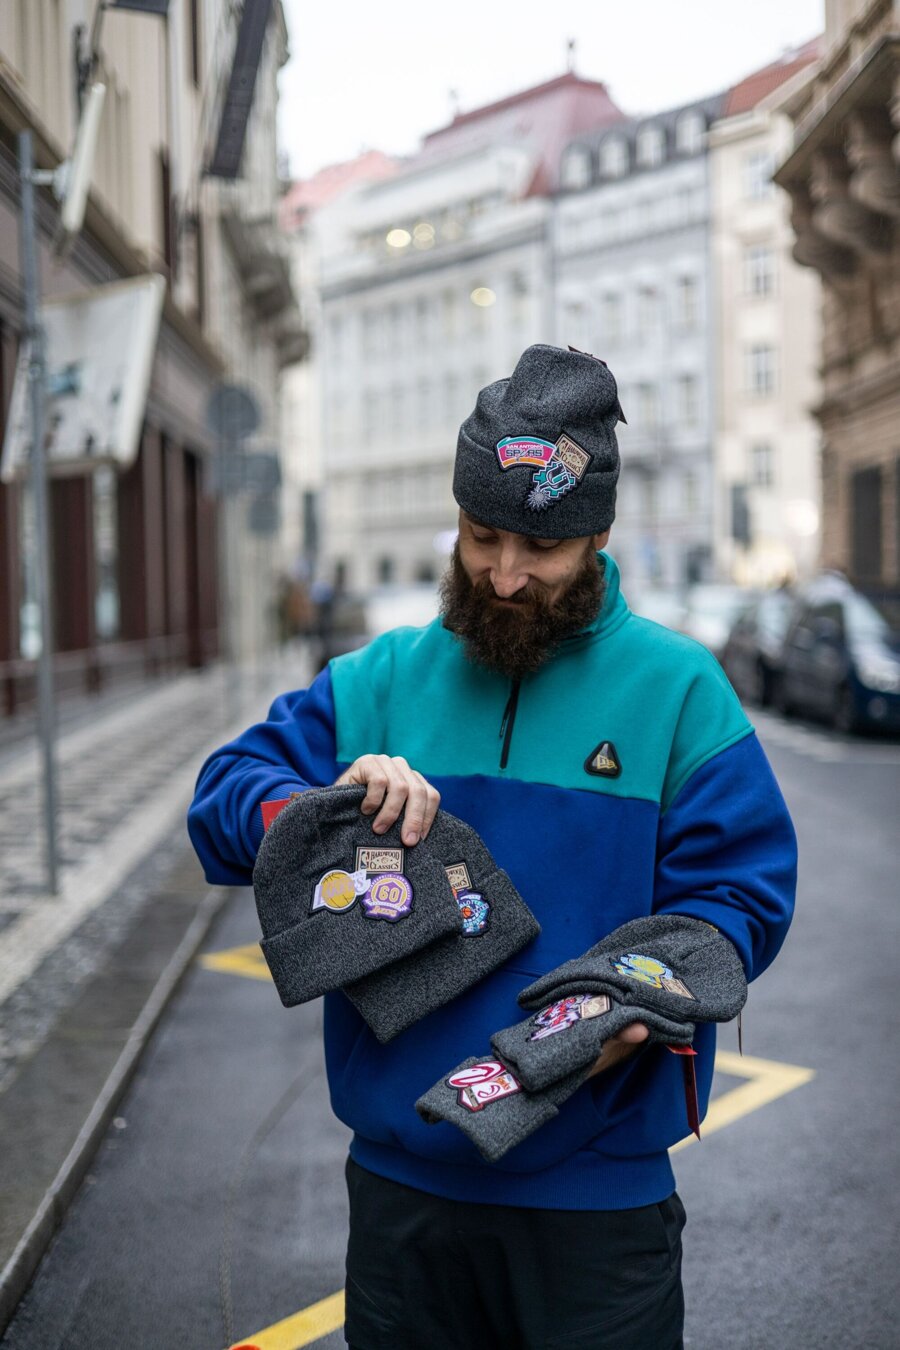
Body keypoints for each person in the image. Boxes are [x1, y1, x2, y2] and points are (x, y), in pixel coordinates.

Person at [188, 345, 797, 1349]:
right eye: (482, 537)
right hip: (402, 1193)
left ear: (595, 534)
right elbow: (222, 802)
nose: (505, 575)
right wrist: (319, 809)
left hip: (598, 1206)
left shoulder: (682, 691)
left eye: (540, 550)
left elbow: (742, 902)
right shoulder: (377, 680)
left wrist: (641, 991)